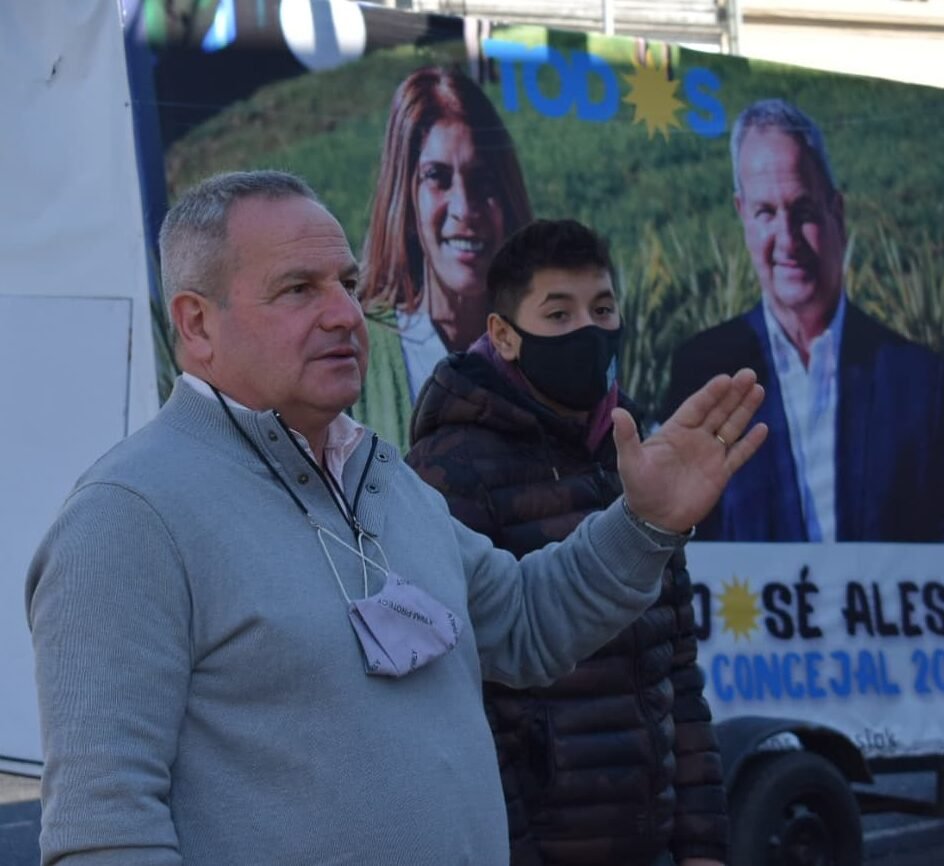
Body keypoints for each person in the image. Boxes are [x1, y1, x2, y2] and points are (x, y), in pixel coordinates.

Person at [25, 170, 766, 866]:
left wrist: (642, 524)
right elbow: (105, 827)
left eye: (346, 283)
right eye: (298, 289)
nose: (346, 313)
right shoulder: (129, 518)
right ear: (197, 324)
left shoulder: (382, 480)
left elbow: (526, 626)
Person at [406, 219, 728, 866]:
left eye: (602, 309)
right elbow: (462, 703)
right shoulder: (449, 469)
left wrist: (701, 845)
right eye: (559, 313)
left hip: (651, 841)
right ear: (504, 334)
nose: (589, 330)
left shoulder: (636, 456)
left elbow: (678, 669)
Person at [666, 98, 944, 542]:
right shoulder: (702, 374)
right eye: (766, 213)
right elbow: (677, 549)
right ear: (742, 215)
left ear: (836, 212)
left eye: (803, 211)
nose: (787, 240)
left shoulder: (919, 383)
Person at [352, 65, 533, 450]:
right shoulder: (356, 355)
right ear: (406, 197)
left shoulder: (544, 346)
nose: (464, 209)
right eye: (437, 176)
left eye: (482, 179)